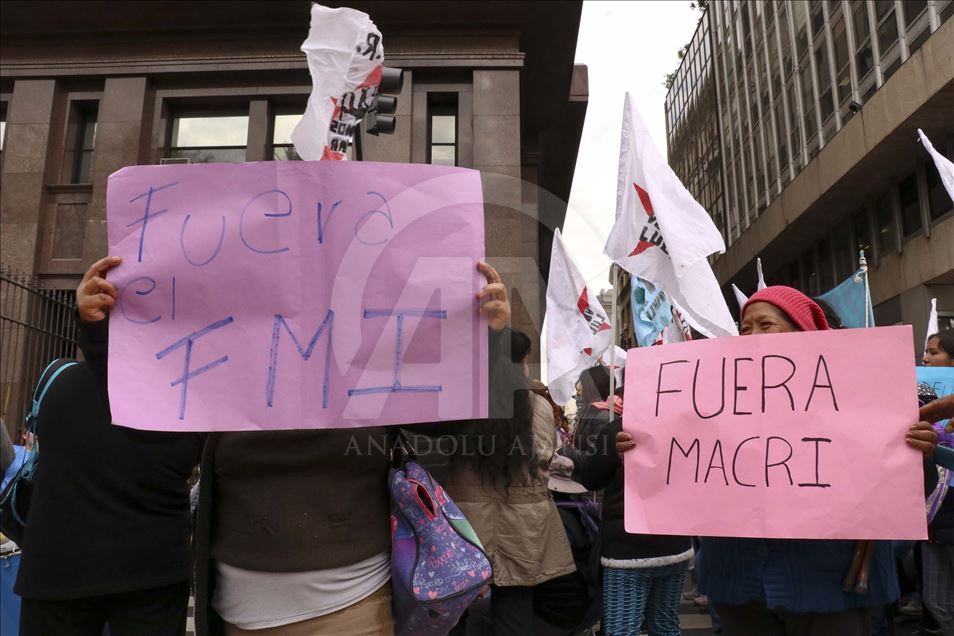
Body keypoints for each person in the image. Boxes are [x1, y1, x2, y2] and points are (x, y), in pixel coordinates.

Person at [193, 261, 521, 636]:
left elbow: (449, 420)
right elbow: (152, 445)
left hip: (355, 608)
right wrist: (113, 338)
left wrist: (487, 338)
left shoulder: (371, 360)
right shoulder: (220, 365)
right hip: (241, 614)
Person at [616, 286, 939, 636]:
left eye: (766, 325)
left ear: (803, 331)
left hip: (833, 588)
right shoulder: (715, 399)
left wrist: (918, 453)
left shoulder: (861, 396)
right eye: (745, 329)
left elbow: (909, 491)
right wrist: (644, 450)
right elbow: (687, 473)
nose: (752, 336)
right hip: (737, 585)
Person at [15, 256, 201, 635]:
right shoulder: (186, 401)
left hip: (59, 569)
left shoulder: (58, 384)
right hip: (151, 571)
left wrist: (92, 332)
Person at [443, 329, 576, 635]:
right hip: (523, 527)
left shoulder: (459, 402)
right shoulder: (537, 407)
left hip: (465, 526)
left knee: (453, 613)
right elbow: (546, 456)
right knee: (514, 610)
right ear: (522, 364)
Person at [574, 385, 693, 636]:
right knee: (666, 626)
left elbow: (591, 478)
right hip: (675, 544)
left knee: (622, 628)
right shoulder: (688, 427)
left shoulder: (618, 429)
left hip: (628, 551)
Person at [920, 334, 954, 634]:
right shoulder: (923, 403)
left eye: (934, 352)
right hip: (935, 518)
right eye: (925, 352)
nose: (926, 359)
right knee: (937, 601)